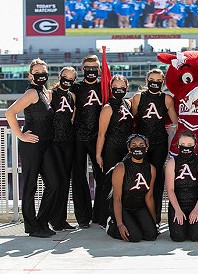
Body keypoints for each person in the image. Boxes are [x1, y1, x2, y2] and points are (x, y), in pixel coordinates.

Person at [5, 58, 59, 238]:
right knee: (30, 185)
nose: (41, 75)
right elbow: (9, 112)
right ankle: (32, 227)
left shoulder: (44, 93)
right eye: (37, 73)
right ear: (31, 75)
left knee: (54, 183)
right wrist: (21, 135)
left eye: (44, 72)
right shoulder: (31, 93)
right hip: (31, 145)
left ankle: (42, 222)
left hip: (45, 144)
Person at [131, 68, 178, 225]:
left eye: (159, 81)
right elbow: (131, 120)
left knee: (157, 179)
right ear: (146, 81)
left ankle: (155, 218)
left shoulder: (167, 99)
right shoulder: (138, 98)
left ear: (162, 83)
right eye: (152, 80)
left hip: (159, 144)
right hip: (140, 145)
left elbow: (176, 123)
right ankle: (138, 216)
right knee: (139, 178)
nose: (155, 84)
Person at [70, 55, 103, 229]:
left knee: (102, 177)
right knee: (78, 178)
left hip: (99, 138)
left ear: (99, 69)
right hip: (78, 138)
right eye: (88, 69)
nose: (91, 72)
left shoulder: (104, 86)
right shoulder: (76, 88)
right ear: (83, 70)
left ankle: (99, 215)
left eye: (95, 68)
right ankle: (82, 217)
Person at [96, 74, 133, 227]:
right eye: (115, 88)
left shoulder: (128, 104)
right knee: (109, 183)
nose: (119, 90)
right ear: (111, 88)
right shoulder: (108, 107)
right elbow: (101, 133)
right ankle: (104, 217)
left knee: (124, 184)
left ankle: (120, 215)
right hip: (111, 148)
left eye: (122, 88)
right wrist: (98, 154)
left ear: (127, 88)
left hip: (126, 150)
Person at [106, 134, 158, 242]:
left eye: (141, 145)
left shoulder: (151, 169)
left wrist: (153, 223)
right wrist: (120, 224)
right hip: (123, 207)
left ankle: (134, 223)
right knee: (134, 236)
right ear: (129, 149)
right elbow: (117, 198)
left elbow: (149, 197)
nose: (138, 147)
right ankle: (111, 225)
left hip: (139, 207)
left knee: (151, 235)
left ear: (146, 148)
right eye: (134, 145)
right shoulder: (121, 167)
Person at [165, 130, 198, 241]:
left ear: (195, 145)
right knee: (178, 237)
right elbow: (170, 190)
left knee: (196, 237)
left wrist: (196, 210)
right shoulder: (172, 163)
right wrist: (178, 211)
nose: (186, 147)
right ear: (178, 145)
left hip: (196, 204)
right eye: (183, 145)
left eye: (189, 145)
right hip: (178, 204)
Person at [49, 67, 77, 232]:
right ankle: (53, 218)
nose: (68, 80)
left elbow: (71, 118)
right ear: (59, 77)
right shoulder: (50, 94)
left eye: (71, 78)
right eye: (65, 76)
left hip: (69, 141)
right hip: (54, 142)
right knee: (57, 182)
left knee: (66, 182)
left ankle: (61, 219)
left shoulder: (72, 96)